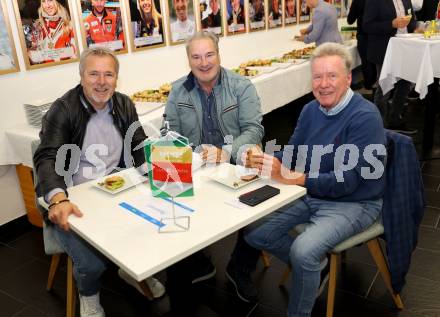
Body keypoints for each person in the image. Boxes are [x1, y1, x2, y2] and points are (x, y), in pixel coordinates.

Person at [228, 42, 386, 317]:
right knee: (256, 232)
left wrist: (295, 178)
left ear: (349, 78)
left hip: (356, 201)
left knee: (302, 251)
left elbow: (346, 181)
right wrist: (263, 159)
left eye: (332, 76)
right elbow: (293, 155)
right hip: (313, 192)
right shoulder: (310, 110)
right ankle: (315, 266)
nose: (323, 84)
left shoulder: (365, 116)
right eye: (317, 76)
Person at [33, 47, 164, 317]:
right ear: (81, 76)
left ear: (117, 79)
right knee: (92, 264)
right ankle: (88, 295)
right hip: (72, 195)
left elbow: (138, 144)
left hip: (117, 188)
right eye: (93, 74)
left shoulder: (124, 103)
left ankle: (131, 272)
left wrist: (152, 166)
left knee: (155, 226)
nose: (101, 82)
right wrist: (58, 198)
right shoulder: (63, 109)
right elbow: (47, 157)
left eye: (108, 74)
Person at [164, 30, 264, 314]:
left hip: (236, 164)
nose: (203, 62)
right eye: (196, 56)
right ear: (189, 60)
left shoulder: (241, 86)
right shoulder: (177, 90)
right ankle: (199, 262)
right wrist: (179, 151)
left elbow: (254, 129)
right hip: (198, 168)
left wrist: (226, 151)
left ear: (219, 55)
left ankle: (239, 268)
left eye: (209, 54)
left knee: (259, 208)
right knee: (173, 199)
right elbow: (169, 132)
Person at [363, 0, 417, 134]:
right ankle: (377, 126)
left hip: (405, 48)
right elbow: (367, 26)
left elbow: (412, 18)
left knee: (404, 84)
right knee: (384, 88)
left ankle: (395, 121)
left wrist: (415, 26)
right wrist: (391, 24)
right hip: (384, 50)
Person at [26, 0, 76, 64]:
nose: (47, 6)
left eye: (50, 0)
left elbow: (75, 54)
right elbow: (34, 60)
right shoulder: (37, 27)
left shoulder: (70, 26)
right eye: (43, 1)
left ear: (58, 2)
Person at [347, 0, 376, 90]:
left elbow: (350, 20)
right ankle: (375, 83)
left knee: (366, 61)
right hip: (377, 35)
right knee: (375, 61)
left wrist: (352, 7)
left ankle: (368, 85)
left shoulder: (358, 1)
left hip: (363, 35)